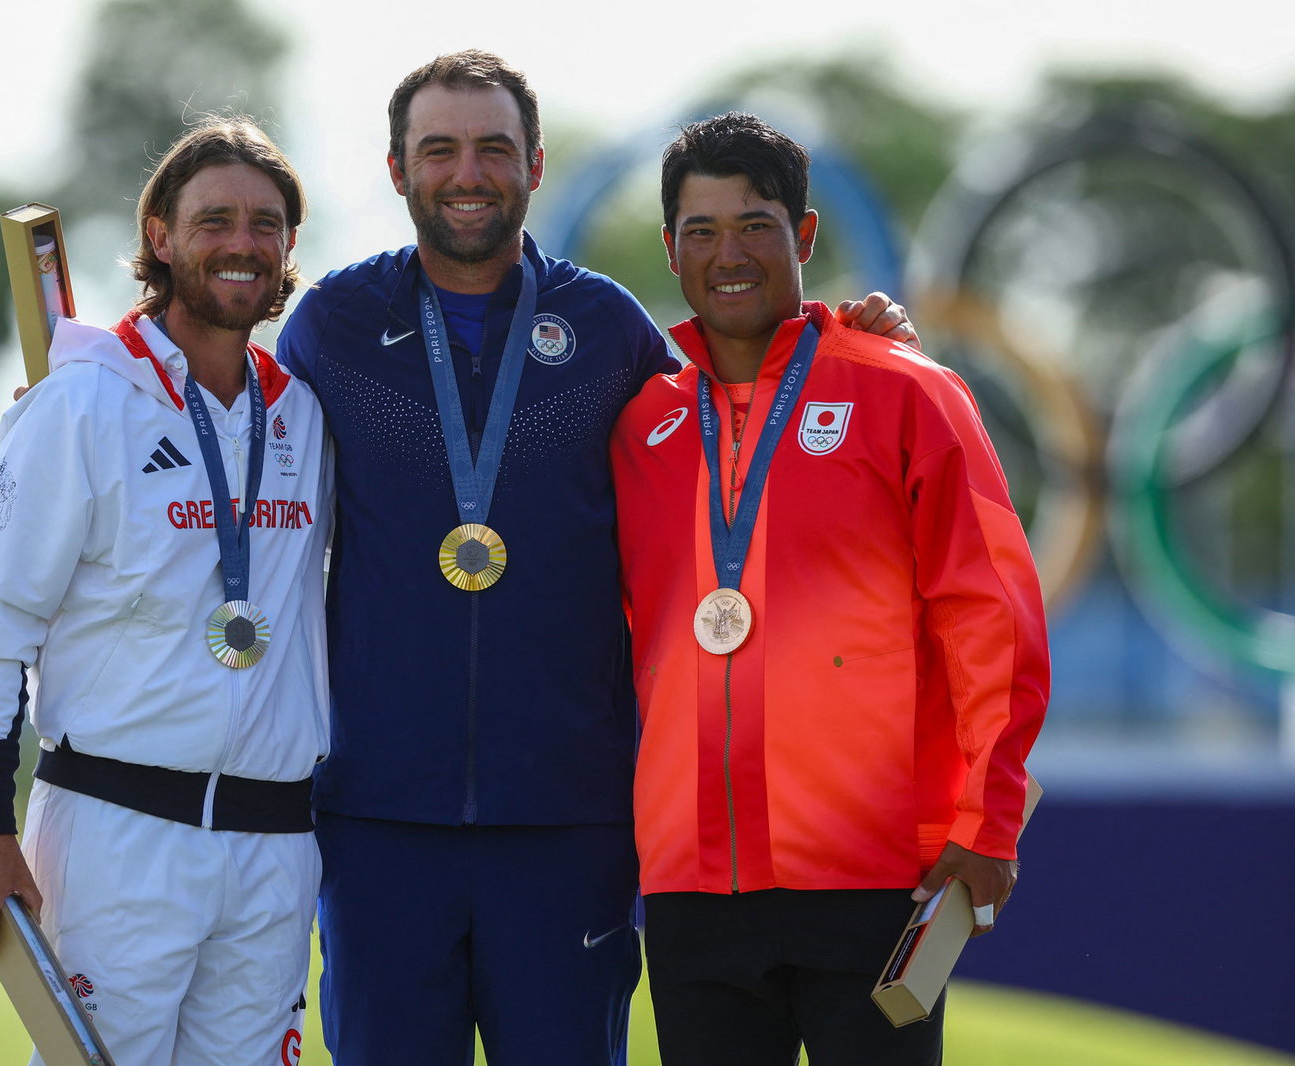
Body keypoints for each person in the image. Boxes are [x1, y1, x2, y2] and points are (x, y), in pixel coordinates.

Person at [277, 51, 916, 1065]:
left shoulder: (605, 325)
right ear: (397, 171)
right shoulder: (335, 327)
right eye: (437, 149)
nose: (467, 172)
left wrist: (847, 334)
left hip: (570, 824)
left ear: (534, 161)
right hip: (376, 816)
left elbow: (738, 405)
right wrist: (91, 392)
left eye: (493, 148)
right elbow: (237, 444)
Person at [609, 111, 1050, 1066]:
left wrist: (987, 819)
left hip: (873, 877)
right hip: (692, 889)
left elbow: (994, 617)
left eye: (756, 225)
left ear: (804, 237)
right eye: (701, 232)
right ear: (670, 248)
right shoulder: (634, 418)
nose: (730, 254)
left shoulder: (904, 391)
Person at [0, 116, 333, 1066]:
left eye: (267, 223)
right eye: (215, 220)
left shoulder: (303, 413)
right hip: (119, 832)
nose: (243, 243)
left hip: (274, 842)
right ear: (160, 235)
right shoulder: (79, 400)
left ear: (288, 247)